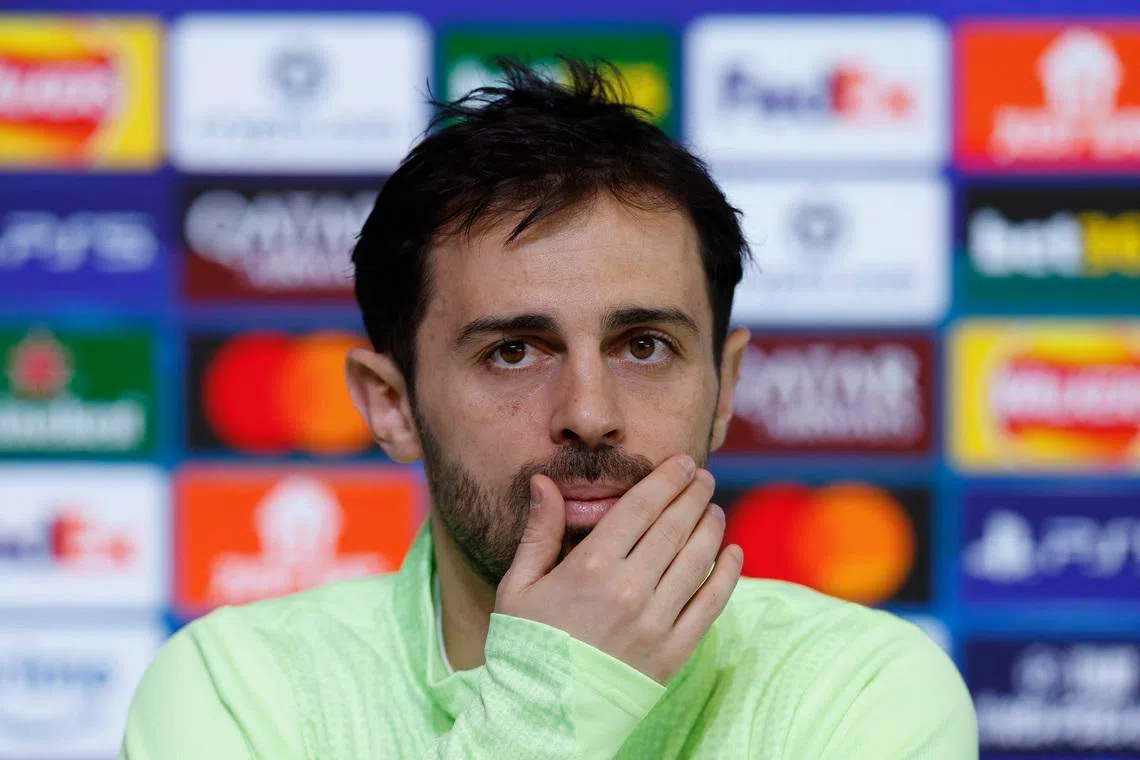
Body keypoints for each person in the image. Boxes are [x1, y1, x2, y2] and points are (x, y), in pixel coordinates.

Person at [120, 59, 977, 759]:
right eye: (514, 351)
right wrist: (553, 696)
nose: (590, 413)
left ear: (726, 388)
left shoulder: (861, 689)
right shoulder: (235, 693)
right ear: (392, 406)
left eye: (644, 345)